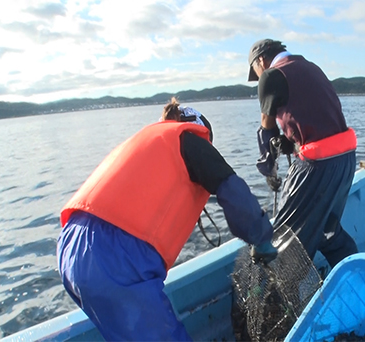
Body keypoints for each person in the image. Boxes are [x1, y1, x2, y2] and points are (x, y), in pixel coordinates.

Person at [56, 97, 278, 341]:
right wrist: (261, 238)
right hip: (114, 257)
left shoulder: (143, 141)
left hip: (70, 248)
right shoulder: (189, 138)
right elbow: (233, 190)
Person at [247, 38, 358, 269]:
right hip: (346, 158)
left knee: (287, 241)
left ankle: (284, 300)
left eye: (255, 71)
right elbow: (316, 114)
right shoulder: (310, 66)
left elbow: (267, 129)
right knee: (329, 230)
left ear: (260, 60)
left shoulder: (270, 75)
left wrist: (268, 168)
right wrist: (292, 141)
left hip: (316, 165)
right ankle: (356, 276)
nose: (258, 77)